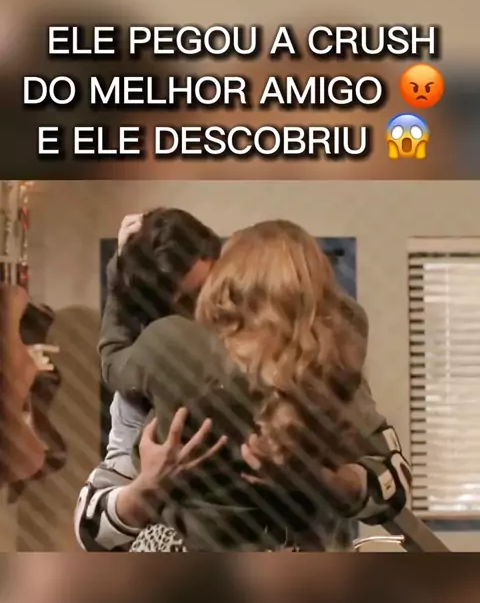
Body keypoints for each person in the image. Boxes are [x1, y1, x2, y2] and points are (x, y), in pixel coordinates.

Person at [79, 219, 411, 552]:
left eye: (205, 289)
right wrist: (148, 487)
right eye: (179, 305)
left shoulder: (320, 369)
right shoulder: (159, 367)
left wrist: (323, 481)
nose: (200, 309)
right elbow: (91, 529)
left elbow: (392, 483)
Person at [74, 207, 222, 551]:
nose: (208, 306)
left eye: (213, 286)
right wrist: (149, 484)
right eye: (190, 300)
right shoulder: (147, 382)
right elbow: (91, 532)